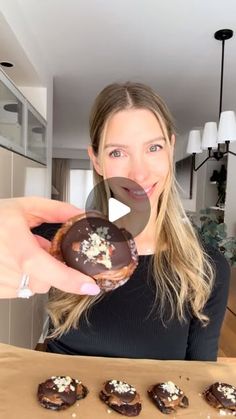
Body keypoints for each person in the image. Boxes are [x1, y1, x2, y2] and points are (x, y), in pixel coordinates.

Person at [0, 82, 230, 361]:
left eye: (154, 147)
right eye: (117, 152)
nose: (139, 173)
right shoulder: (56, 243)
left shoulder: (209, 268)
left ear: (171, 148)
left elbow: (198, 378)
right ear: (96, 160)